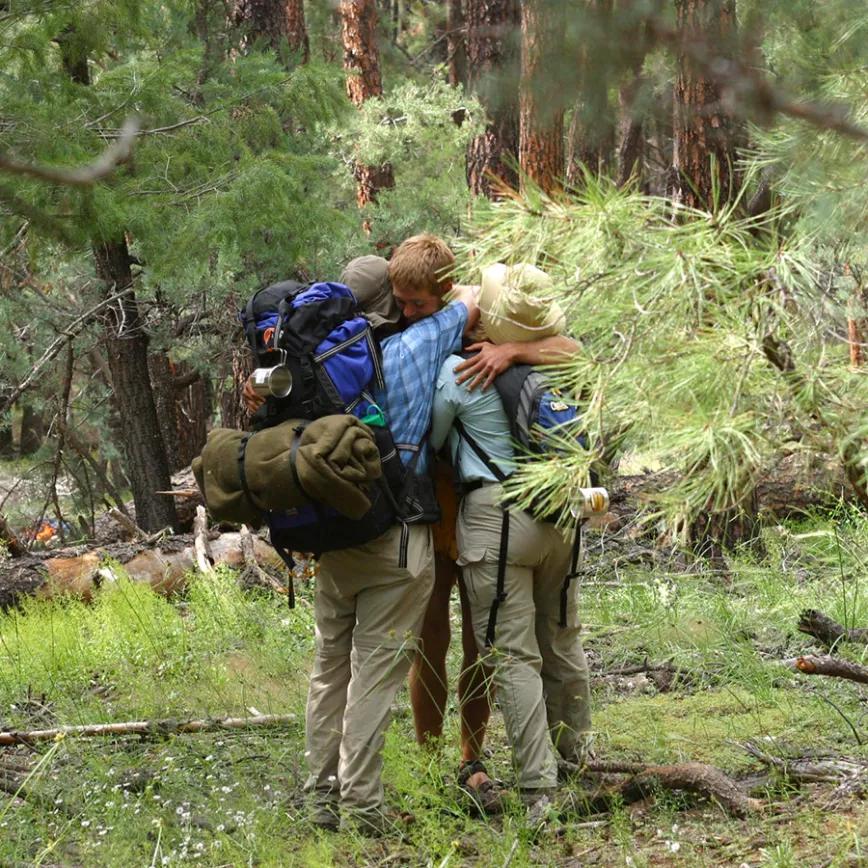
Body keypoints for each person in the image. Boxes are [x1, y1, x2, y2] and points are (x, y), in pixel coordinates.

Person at [244, 236, 479, 836]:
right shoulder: (412, 347)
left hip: (331, 533)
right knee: (374, 671)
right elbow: (474, 303)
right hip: (396, 536)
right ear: (393, 303)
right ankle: (363, 805)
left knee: (328, 669)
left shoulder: (300, 364)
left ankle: (319, 797)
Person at [429, 262, 593, 810]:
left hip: (498, 520)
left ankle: (537, 788)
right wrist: (522, 349)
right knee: (562, 638)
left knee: (514, 655)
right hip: (562, 514)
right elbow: (579, 354)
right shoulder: (565, 363)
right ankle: (577, 759)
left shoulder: (463, 369)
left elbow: (431, 436)